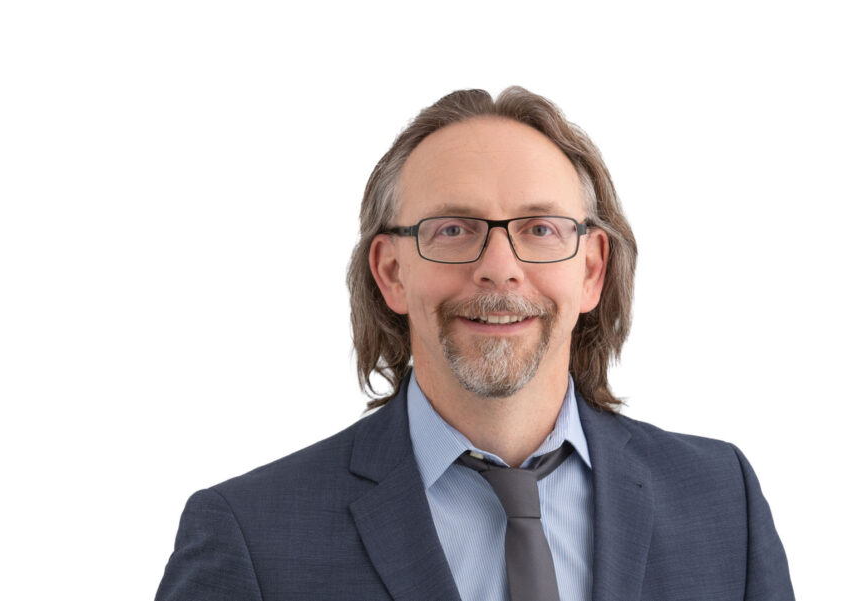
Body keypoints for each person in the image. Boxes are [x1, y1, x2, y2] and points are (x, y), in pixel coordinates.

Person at [155, 87, 794, 601]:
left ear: (592, 270)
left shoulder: (722, 500)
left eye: (540, 228)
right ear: (391, 272)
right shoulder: (251, 535)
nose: (499, 268)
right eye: (454, 229)